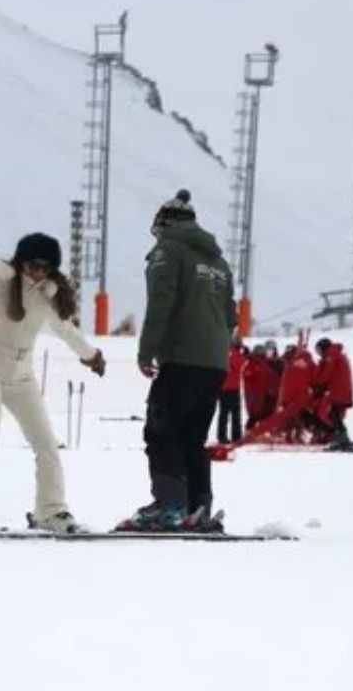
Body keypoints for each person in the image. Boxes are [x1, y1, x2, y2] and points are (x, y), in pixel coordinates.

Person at [0, 233, 106, 534]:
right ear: (20, 262)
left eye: (45, 267)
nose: (37, 272)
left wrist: (91, 355)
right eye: (32, 265)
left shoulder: (50, 295)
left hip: (23, 376)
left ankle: (51, 510)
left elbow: (65, 331)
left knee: (46, 445)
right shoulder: (1, 283)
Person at [119, 189, 235, 532]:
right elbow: (231, 316)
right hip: (215, 362)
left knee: (161, 431)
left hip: (182, 356)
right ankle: (198, 506)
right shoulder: (218, 261)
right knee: (191, 437)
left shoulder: (168, 251)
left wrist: (147, 350)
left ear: (163, 224)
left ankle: (170, 506)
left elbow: (161, 303)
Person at [311, 337, 353, 452]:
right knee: (335, 416)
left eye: (319, 350)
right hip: (343, 391)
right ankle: (340, 439)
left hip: (338, 392)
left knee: (332, 416)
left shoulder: (332, 356)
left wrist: (320, 386)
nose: (319, 354)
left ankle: (342, 439)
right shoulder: (339, 355)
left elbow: (327, 374)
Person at [278, 344, 316, 443]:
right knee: (294, 416)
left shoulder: (290, 361)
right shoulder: (301, 361)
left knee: (294, 416)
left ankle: (293, 435)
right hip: (295, 395)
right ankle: (293, 435)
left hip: (292, 394)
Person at [242, 344, 279, 430]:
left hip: (266, 392)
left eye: (262, 351)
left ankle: (264, 429)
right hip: (255, 393)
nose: (261, 353)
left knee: (267, 411)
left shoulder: (265, 363)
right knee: (255, 413)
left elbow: (272, 375)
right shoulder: (252, 363)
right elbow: (247, 375)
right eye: (259, 351)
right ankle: (250, 430)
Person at [215, 340, 245, 444]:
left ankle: (221, 436)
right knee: (235, 414)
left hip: (223, 389)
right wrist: (245, 355)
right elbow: (240, 366)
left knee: (224, 414)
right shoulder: (236, 355)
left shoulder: (223, 353)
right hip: (233, 389)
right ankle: (236, 436)